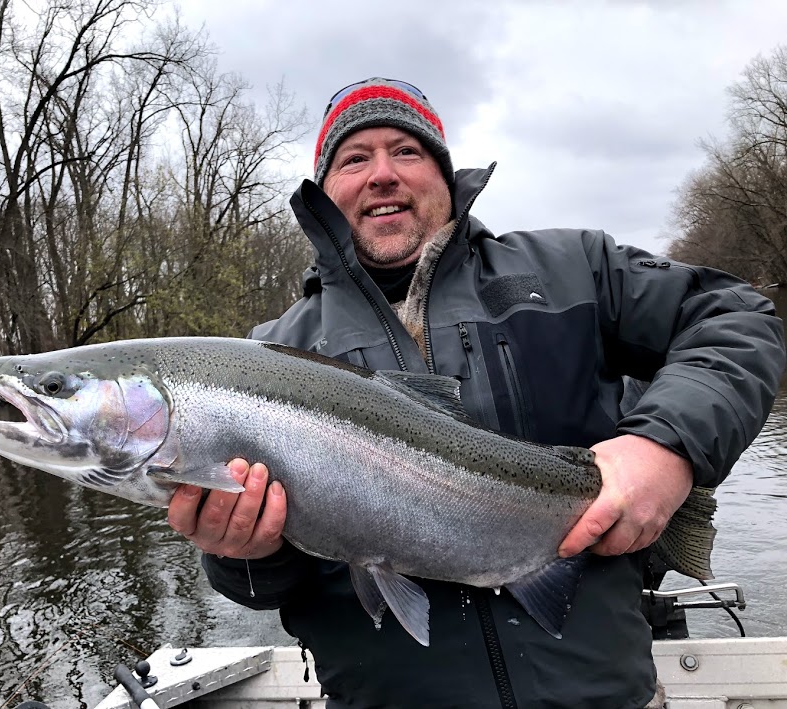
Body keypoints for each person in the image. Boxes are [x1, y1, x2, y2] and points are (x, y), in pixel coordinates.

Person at [167, 78, 786, 708]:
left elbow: (736, 318)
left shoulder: (573, 269)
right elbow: (264, 587)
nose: (382, 174)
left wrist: (668, 447)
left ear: (445, 175)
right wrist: (244, 554)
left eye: (406, 151)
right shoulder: (271, 354)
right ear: (326, 192)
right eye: (354, 158)